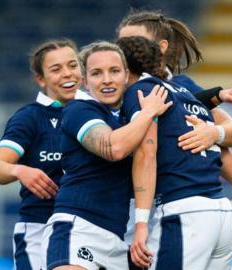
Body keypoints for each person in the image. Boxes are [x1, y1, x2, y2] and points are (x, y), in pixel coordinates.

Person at [117, 10, 232, 258]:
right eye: (119, 43)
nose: (121, 51)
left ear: (160, 47)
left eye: (132, 43)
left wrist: (212, 133)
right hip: (213, 212)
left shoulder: (155, 91)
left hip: (175, 212)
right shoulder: (184, 97)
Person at [40, 41, 172, 270]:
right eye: (96, 73)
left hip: (118, 239)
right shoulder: (78, 110)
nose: (107, 80)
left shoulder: (126, 118)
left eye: (114, 71)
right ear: (84, 81)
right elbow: (113, 148)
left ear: (126, 75)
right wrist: (149, 111)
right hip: (78, 228)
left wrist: (214, 121)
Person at [0, 39, 87, 270]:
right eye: (56, 69)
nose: (67, 74)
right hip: (39, 228)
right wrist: (20, 170)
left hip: (88, 230)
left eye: (72, 65)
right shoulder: (30, 117)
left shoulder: (97, 111)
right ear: (41, 80)